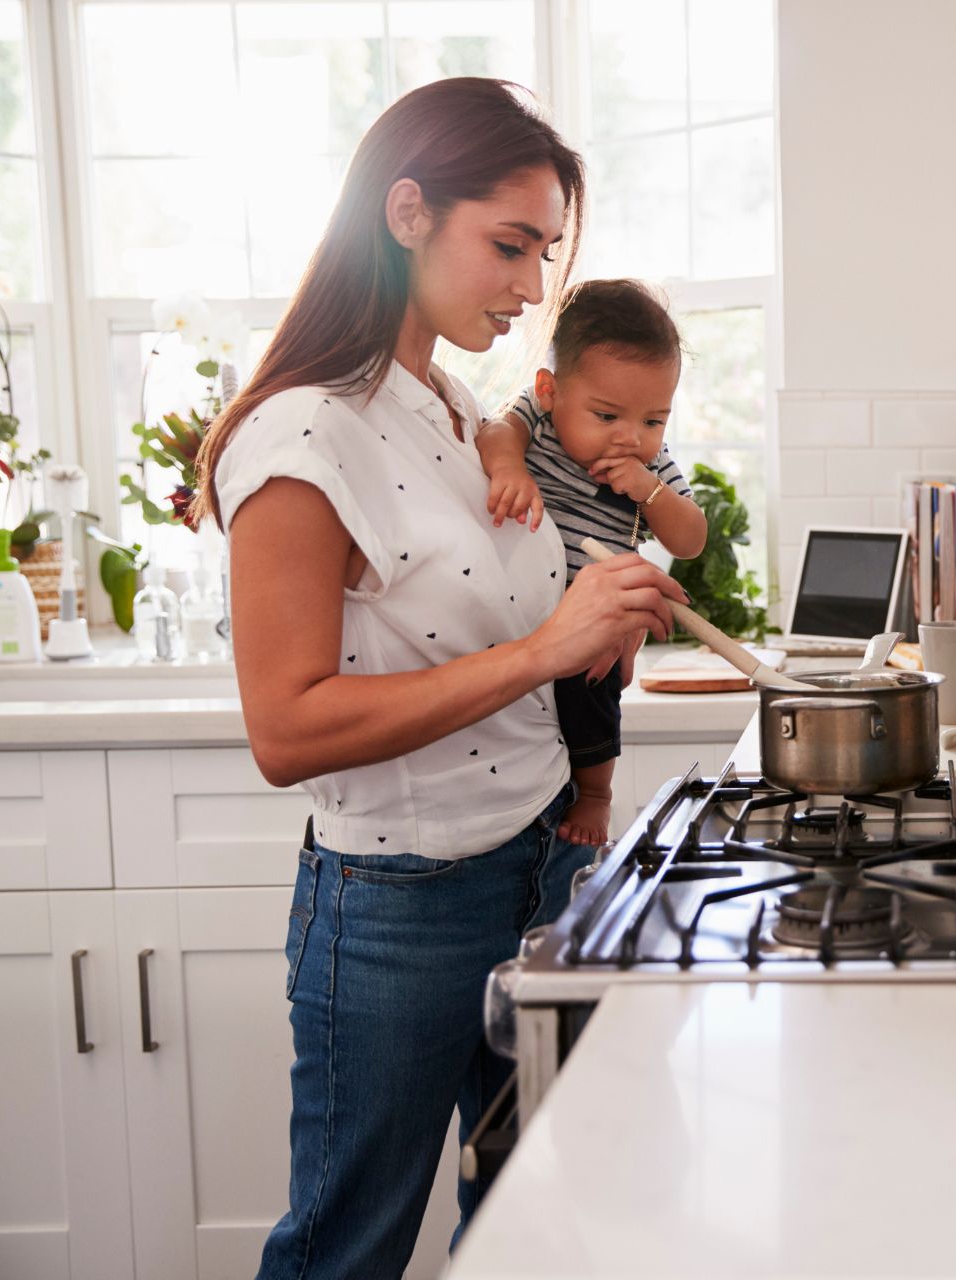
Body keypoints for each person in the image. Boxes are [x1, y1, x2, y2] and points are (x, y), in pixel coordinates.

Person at [189, 78, 689, 1279]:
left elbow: (506, 612)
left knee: (528, 1228)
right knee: (345, 1247)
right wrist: (545, 647)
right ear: (407, 211)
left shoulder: (457, 407)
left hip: (539, 865)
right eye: (508, 246)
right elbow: (287, 727)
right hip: (397, 908)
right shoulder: (302, 434)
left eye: (544, 252)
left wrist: (602, 612)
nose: (530, 289)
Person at [474, 278, 708, 844]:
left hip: (595, 620)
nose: (631, 437)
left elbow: (691, 538)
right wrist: (509, 469)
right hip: (523, 618)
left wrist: (648, 492)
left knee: (591, 699)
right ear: (550, 390)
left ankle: (597, 793)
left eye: (653, 421)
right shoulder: (537, 420)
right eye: (607, 416)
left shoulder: (650, 471)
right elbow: (496, 431)